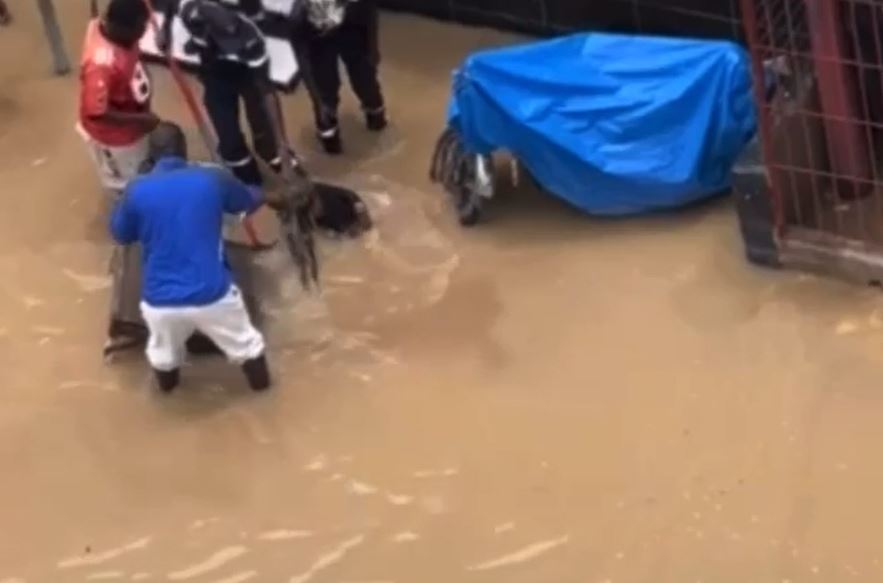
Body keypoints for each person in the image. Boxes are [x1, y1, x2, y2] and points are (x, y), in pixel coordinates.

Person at [110, 123, 279, 392]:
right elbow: (246, 201)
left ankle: (168, 400)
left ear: (151, 156)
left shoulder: (136, 190)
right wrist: (269, 195)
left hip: (160, 301)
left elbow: (120, 234)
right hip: (212, 294)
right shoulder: (211, 179)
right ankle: (267, 399)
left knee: (163, 358)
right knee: (248, 347)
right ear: (185, 151)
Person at [77, 0, 159, 355]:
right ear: (122, 29)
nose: (144, 34)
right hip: (117, 141)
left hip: (134, 123)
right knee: (127, 194)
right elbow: (97, 114)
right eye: (140, 30)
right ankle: (128, 247)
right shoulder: (102, 64)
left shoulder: (114, 27)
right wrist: (141, 122)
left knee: (144, 180)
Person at [161, 0, 300, 186]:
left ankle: (272, 153)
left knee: (262, 120)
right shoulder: (190, 12)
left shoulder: (250, 40)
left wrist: (282, 145)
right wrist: (165, 29)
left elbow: (268, 94)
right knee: (229, 139)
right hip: (214, 70)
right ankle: (247, 178)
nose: (232, 45)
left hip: (248, 73)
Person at [295, 0, 387, 155]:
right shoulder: (298, 16)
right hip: (317, 41)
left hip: (352, 28)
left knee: (366, 81)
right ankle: (330, 140)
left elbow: (370, 16)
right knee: (325, 95)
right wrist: (317, 97)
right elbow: (304, 61)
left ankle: (376, 117)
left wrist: (373, 49)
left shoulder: (357, 4)